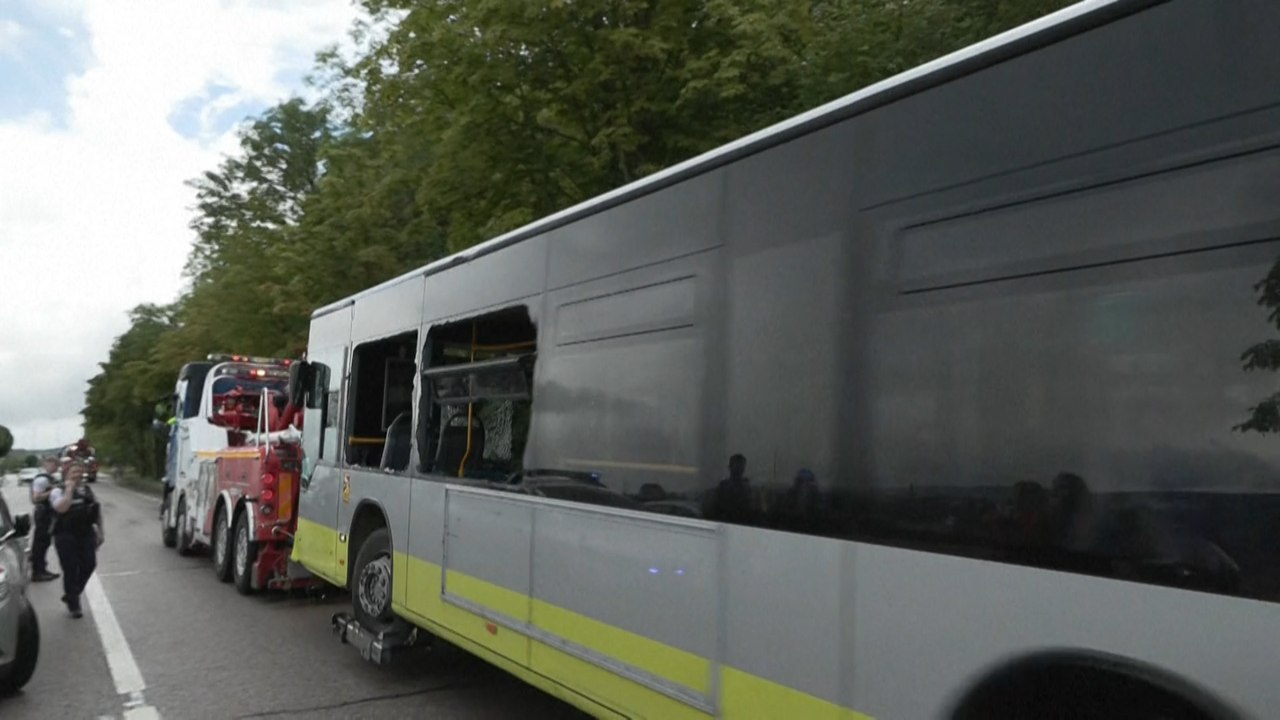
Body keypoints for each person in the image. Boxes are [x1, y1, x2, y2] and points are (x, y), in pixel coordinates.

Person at [50, 460, 103, 618]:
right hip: (65, 534)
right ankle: (74, 605)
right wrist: (69, 490)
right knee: (70, 569)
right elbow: (61, 508)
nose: (78, 475)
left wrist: (100, 531)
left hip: (86, 532)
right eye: (74, 472)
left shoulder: (87, 490)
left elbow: (96, 511)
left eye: (80, 472)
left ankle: (72, 593)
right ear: (66, 473)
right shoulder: (57, 491)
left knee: (90, 564)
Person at [28, 456, 61, 582]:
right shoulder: (42, 479)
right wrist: (52, 491)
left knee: (45, 542)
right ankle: (38, 572)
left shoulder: (48, 478)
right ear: (47, 463)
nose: (56, 467)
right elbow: (36, 498)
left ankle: (42, 569)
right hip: (43, 514)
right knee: (40, 543)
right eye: (55, 464)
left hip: (47, 513)